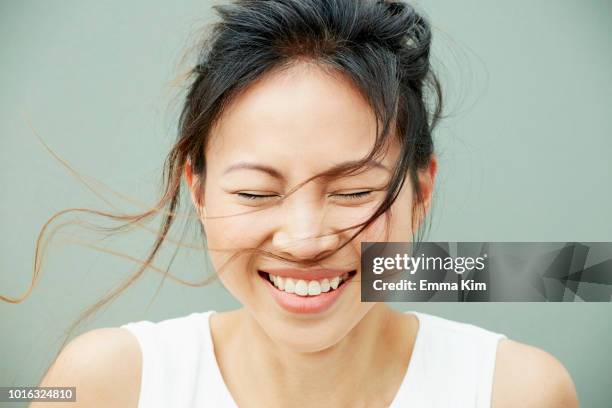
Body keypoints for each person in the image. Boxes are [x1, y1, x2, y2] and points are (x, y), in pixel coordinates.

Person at [32, 0, 579, 407]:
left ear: (422, 190)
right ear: (197, 192)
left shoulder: (516, 391)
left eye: (355, 193)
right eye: (256, 194)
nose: (305, 241)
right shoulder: (101, 383)